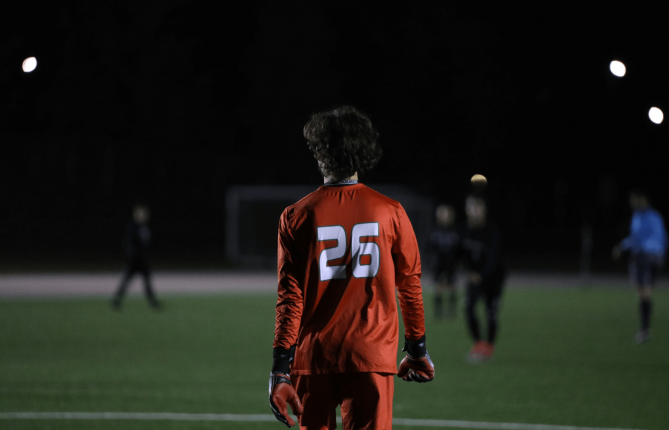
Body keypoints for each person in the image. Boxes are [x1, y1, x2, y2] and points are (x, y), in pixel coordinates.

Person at [268, 106, 434, 429]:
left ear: (319, 153)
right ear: (363, 154)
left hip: (314, 357)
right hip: (371, 355)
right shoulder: (391, 212)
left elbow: (290, 300)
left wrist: (279, 368)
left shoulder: (295, 216)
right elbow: (409, 284)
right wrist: (416, 348)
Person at [612, 189, 667, 343]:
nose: (633, 203)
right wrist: (662, 255)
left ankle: (644, 331)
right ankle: (645, 330)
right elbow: (663, 237)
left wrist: (621, 246)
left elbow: (637, 237)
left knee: (643, 293)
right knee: (646, 292)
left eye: (635, 200)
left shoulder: (640, 216)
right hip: (657, 257)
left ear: (642, 199)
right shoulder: (656, 216)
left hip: (644, 256)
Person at [461, 194, 505, 362]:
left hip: (493, 279)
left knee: (491, 313)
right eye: (472, 208)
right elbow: (460, 254)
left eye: (478, 208)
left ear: (484, 210)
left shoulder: (491, 231)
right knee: (469, 308)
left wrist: (481, 274)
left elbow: (494, 258)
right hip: (474, 279)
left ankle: (489, 346)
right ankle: (478, 344)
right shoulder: (465, 231)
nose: (475, 212)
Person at [111, 203, 161, 310]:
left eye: (145, 214)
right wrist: (131, 255)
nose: (144, 216)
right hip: (134, 260)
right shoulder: (132, 226)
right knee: (127, 281)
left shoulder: (145, 227)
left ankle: (152, 302)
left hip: (142, 260)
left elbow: (147, 243)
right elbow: (128, 242)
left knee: (147, 281)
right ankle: (116, 300)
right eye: (142, 214)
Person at [428, 204, 461, 319]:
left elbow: (459, 249)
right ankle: (438, 313)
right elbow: (430, 249)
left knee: (452, 286)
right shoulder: (434, 231)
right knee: (438, 287)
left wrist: (458, 262)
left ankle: (452, 312)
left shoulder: (455, 231)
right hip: (438, 263)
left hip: (451, 263)